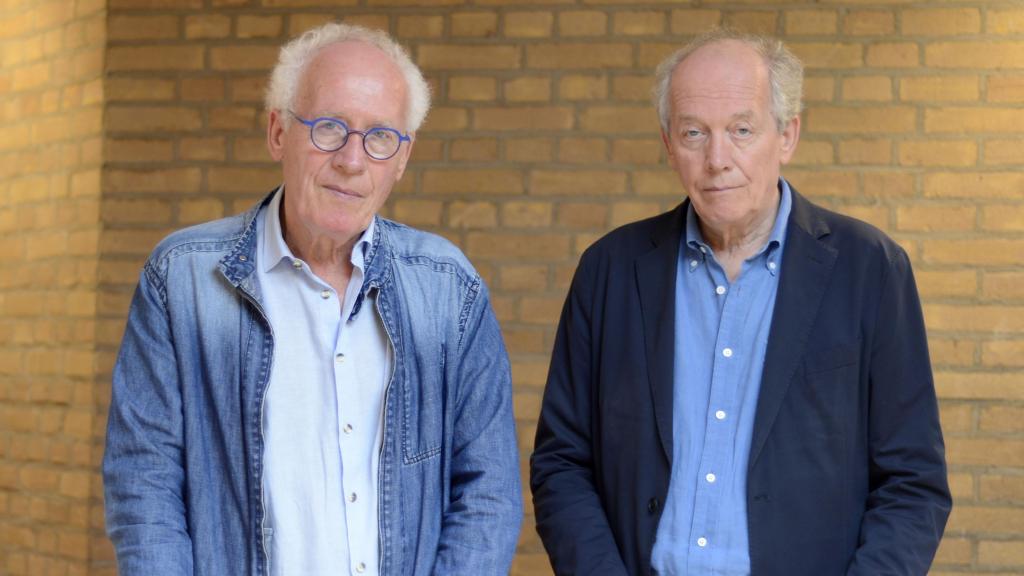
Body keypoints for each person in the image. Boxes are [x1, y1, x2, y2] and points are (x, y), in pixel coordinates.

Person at [103, 22, 521, 576]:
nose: (352, 160)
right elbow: (144, 485)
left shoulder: (450, 291)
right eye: (329, 128)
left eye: (379, 138)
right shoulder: (180, 280)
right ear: (278, 132)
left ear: (401, 158)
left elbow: (488, 493)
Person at [530, 29, 950, 576]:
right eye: (694, 133)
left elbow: (913, 484)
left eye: (742, 130)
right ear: (667, 143)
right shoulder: (609, 270)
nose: (717, 159)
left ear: (787, 136)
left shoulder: (871, 269)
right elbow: (562, 462)